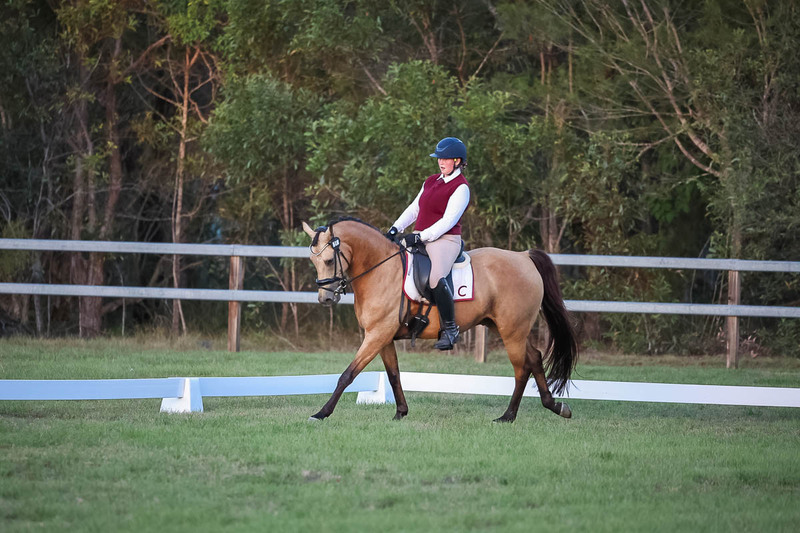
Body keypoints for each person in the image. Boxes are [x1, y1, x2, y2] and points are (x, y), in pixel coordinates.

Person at [386, 137, 470, 350]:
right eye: (439, 158)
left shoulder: (461, 188)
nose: (441, 162)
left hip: (445, 240)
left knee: (435, 277)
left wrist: (420, 236)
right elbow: (415, 209)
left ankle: (450, 329)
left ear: (458, 161)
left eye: (446, 159)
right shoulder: (431, 181)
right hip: (420, 236)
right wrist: (396, 227)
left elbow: (447, 221)